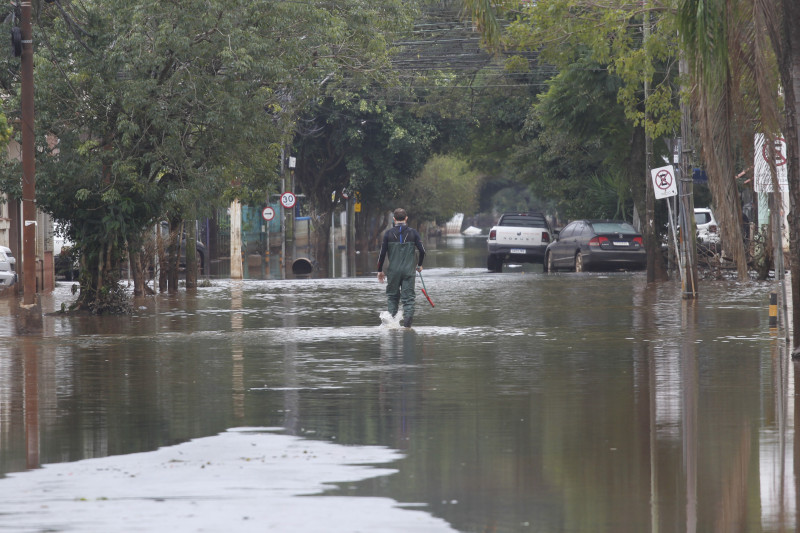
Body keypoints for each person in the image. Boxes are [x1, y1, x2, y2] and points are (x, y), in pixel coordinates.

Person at [377, 208, 426, 328]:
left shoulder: (388, 234)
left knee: (392, 298)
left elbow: (382, 254)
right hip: (408, 272)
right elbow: (422, 251)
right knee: (408, 299)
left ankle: (392, 325)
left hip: (393, 272)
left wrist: (379, 271)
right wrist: (419, 265)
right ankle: (407, 327)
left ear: (394, 219)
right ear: (406, 218)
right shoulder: (413, 233)